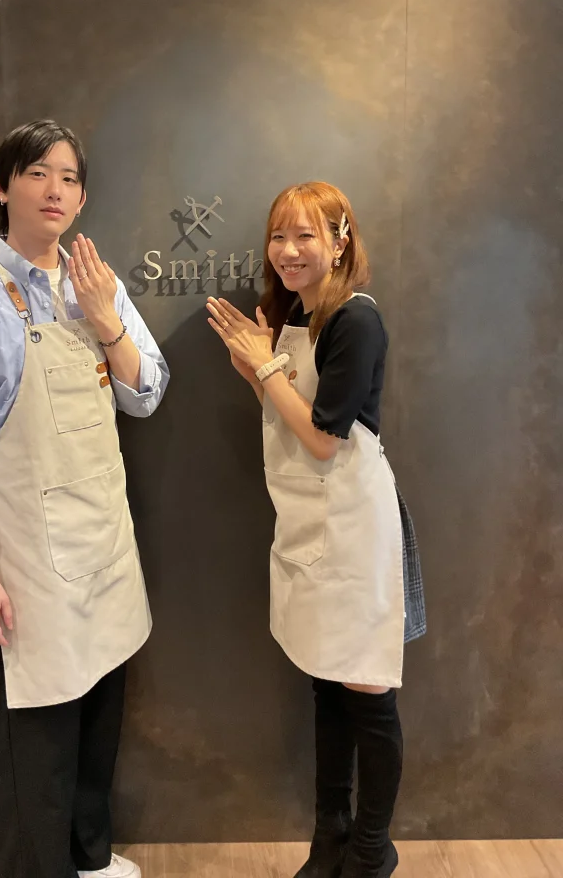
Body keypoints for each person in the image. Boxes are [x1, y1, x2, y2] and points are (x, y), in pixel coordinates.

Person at [0, 120, 169, 878]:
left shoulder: (97, 284)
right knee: (38, 738)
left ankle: (90, 858)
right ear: (1, 186)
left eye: (69, 177)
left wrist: (107, 321)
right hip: (29, 558)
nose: (54, 189)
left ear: (82, 198)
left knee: (100, 717)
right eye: (36, 173)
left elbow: (147, 394)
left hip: (104, 544)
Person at [206, 182, 425, 878]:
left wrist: (265, 364)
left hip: (353, 527)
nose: (289, 250)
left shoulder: (356, 319)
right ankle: (330, 838)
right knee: (326, 684)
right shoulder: (295, 314)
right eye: (279, 236)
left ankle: (372, 849)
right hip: (305, 519)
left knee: (366, 691)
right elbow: (286, 412)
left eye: (306, 235)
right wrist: (254, 369)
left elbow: (325, 439)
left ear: (340, 240)